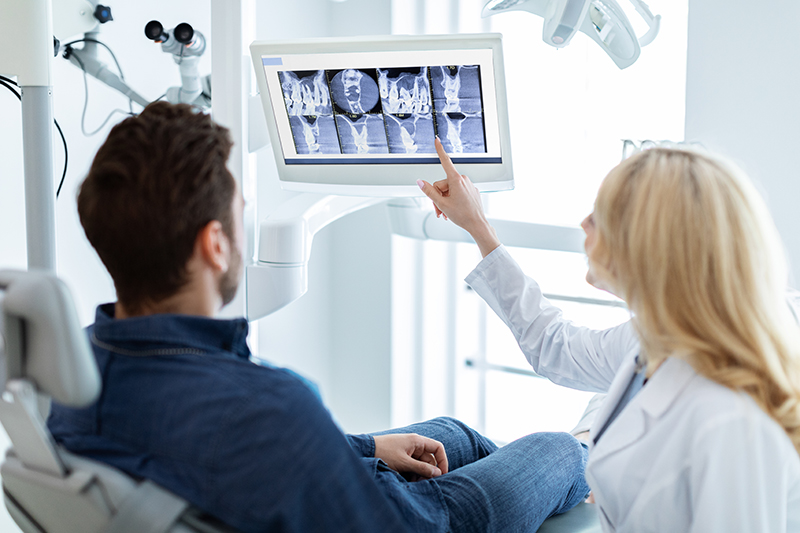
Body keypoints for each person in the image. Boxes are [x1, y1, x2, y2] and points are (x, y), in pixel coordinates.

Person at [47, 102, 591, 533]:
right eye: (241, 216)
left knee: (454, 435)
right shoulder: (266, 404)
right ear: (215, 244)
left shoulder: (73, 376)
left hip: (238, 485)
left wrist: (368, 449)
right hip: (425, 523)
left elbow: (245, 453)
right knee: (562, 449)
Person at [418, 138, 800, 532]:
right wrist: (478, 226)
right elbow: (555, 346)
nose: (583, 223)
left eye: (600, 216)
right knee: (453, 436)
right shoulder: (655, 337)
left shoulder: (726, 419)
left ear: (649, 245)